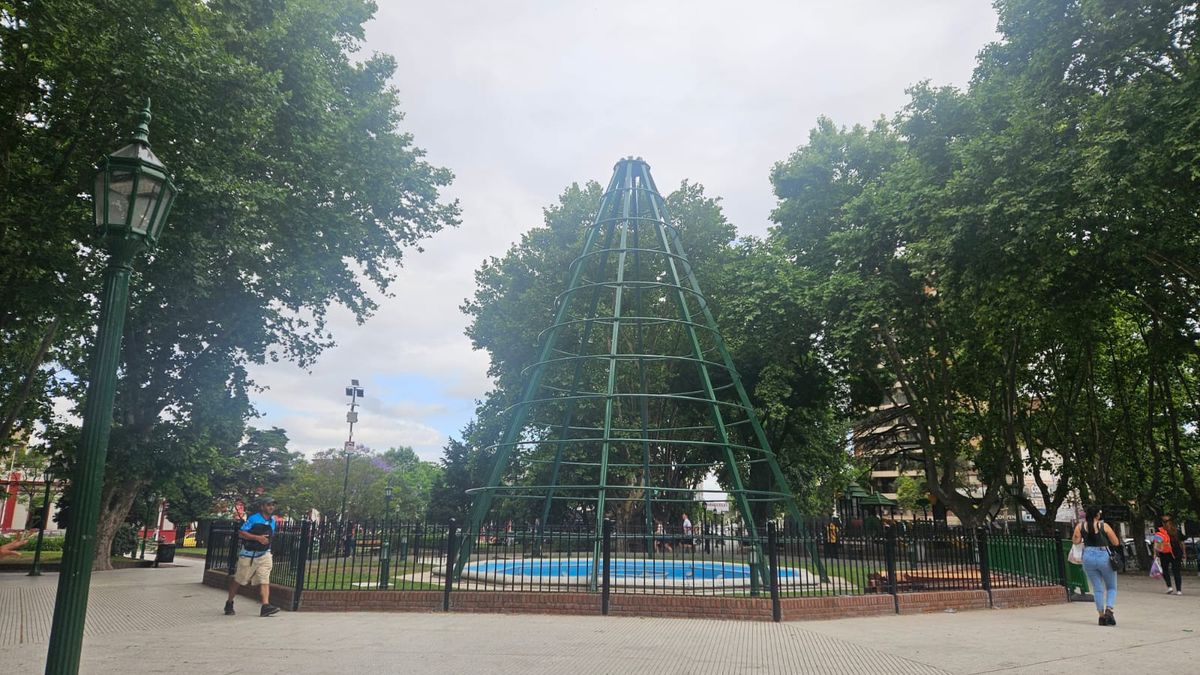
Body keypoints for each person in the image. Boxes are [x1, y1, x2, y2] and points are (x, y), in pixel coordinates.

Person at [225, 496, 280, 617]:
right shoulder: (254, 518)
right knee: (239, 579)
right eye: (268, 505)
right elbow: (242, 532)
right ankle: (229, 602)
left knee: (264, 578)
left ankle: (265, 606)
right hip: (249, 555)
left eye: (273, 505)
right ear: (262, 507)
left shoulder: (273, 521)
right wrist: (257, 538)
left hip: (264, 554)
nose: (271, 507)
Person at [1073, 505, 1120, 626]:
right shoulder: (1103, 525)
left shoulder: (1080, 526)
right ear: (1097, 515)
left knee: (1097, 588)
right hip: (1103, 555)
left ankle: (1101, 616)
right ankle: (1109, 609)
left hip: (1088, 556)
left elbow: (1076, 541)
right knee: (1111, 587)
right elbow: (1116, 542)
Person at [1153, 515, 1184, 595]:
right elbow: (1181, 543)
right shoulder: (1176, 531)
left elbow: (1157, 543)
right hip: (1176, 553)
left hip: (1164, 553)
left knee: (1165, 570)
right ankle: (1179, 590)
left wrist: (1155, 553)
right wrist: (1184, 553)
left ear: (1163, 523)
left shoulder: (1160, 531)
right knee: (1176, 571)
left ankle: (1169, 587)